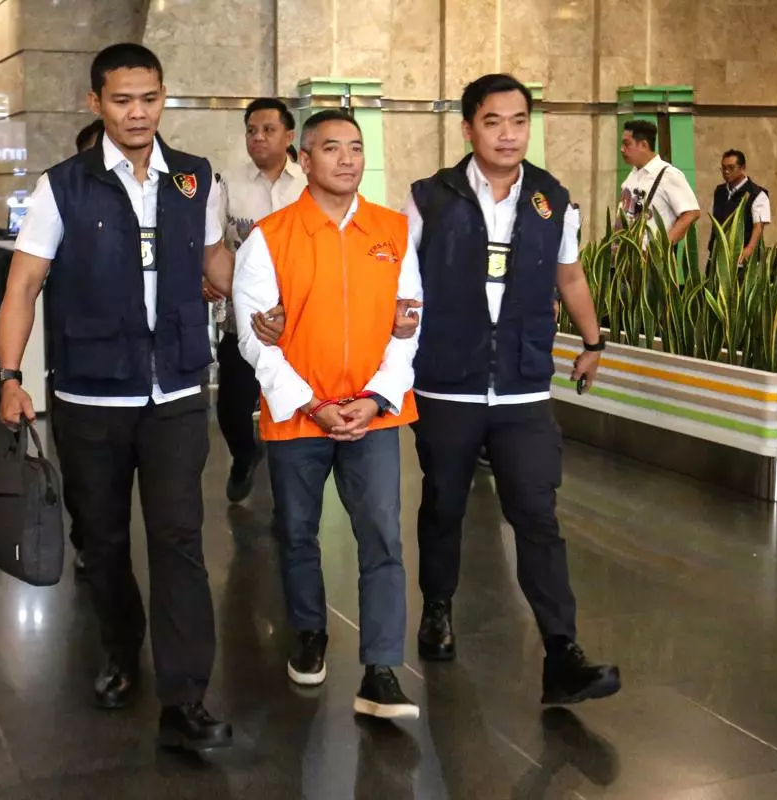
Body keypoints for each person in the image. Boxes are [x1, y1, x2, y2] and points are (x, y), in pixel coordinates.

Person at [0, 43, 234, 752]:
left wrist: (261, 297)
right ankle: (122, 650)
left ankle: (186, 697)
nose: (137, 113)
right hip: (91, 397)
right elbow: (23, 286)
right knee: (100, 541)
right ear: (95, 102)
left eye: (149, 99)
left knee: (179, 540)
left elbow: (216, 260)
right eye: (123, 100)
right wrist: (10, 376)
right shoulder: (62, 187)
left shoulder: (195, 178)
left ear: (163, 99)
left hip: (176, 390)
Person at [406, 74, 620, 705]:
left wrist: (593, 341)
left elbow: (570, 275)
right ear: (468, 128)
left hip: (523, 387)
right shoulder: (430, 199)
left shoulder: (552, 199)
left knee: (536, 514)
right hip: (449, 383)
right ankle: (438, 607)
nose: (508, 134)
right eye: (493, 121)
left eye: (519, 121)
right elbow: (401, 285)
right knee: (443, 504)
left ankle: (561, 652)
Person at [233, 110, 424, 720]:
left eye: (356, 148)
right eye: (332, 148)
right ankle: (310, 632)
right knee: (296, 531)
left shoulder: (393, 231)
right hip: (298, 417)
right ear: (305, 158)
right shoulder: (270, 237)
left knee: (383, 537)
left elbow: (408, 327)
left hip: (374, 415)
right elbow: (254, 339)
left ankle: (382, 669)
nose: (347, 159)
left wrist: (375, 397)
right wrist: (312, 404)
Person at [0, 115, 105, 580]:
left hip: (147, 384)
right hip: (74, 372)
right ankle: (87, 540)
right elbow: (22, 288)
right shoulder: (60, 204)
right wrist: (7, 373)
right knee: (87, 485)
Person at [206, 98, 306, 503]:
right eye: (251, 130)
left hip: (300, 318)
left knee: (291, 405)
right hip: (243, 317)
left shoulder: (309, 183)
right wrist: (207, 277)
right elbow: (212, 242)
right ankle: (245, 455)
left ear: (289, 135)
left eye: (268, 129)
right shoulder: (227, 183)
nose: (258, 137)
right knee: (232, 406)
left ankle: (291, 498)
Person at [618, 119, 700, 244]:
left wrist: (663, 246)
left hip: (652, 254)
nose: (622, 149)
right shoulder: (633, 174)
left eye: (627, 144)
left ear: (643, 145)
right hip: (626, 253)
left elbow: (692, 213)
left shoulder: (668, 174)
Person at [711, 149, 771, 266]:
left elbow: (758, 226)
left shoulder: (757, 193)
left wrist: (749, 249)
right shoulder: (719, 191)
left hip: (742, 256)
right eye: (723, 168)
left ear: (742, 168)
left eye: (731, 167)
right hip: (718, 256)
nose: (726, 171)